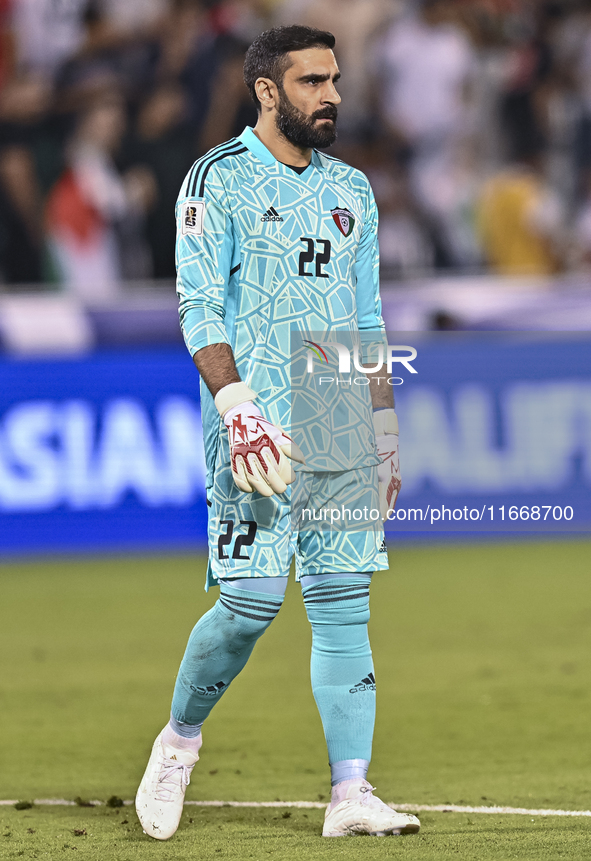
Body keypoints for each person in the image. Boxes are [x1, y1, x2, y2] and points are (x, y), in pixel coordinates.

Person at [135, 24, 419, 840]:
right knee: (249, 604)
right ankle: (179, 741)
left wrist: (382, 430)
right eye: (310, 82)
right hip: (253, 415)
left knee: (343, 603)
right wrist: (234, 406)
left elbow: (366, 320)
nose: (330, 95)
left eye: (334, 79)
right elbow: (197, 305)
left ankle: (350, 792)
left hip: (334, 398)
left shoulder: (353, 191)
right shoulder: (215, 179)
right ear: (267, 91)